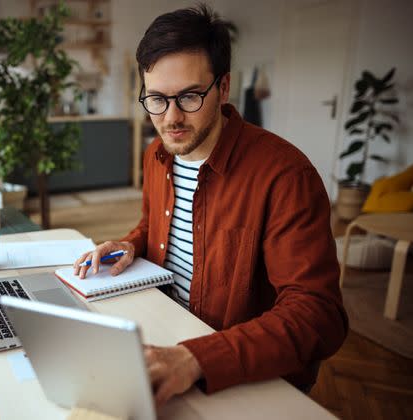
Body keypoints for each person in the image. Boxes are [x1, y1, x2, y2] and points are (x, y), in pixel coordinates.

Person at [73, 3, 348, 409]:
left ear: (223, 87)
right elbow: (154, 226)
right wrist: (131, 243)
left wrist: (197, 357)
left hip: (246, 373)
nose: (171, 118)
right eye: (156, 99)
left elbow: (318, 315)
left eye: (188, 96)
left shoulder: (285, 175)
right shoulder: (157, 155)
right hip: (168, 335)